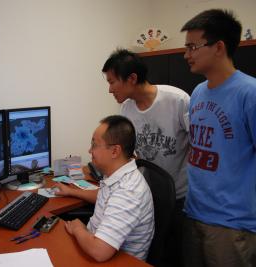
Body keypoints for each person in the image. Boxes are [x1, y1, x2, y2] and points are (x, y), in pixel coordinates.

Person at [180, 9, 256, 267]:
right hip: (193, 212)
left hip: (231, 224)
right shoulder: (199, 92)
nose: (186, 54)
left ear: (219, 47)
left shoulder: (249, 93)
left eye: (193, 46)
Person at [102, 48, 190, 266]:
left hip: (182, 195)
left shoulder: (178, 100)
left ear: (132, 78)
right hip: (148, 193)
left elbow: (200, 144)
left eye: (112, 82)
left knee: (176, 254)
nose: (109, 89)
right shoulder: (127, 109)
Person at [54, 115, 154, 262]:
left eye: (94, 145)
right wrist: (71, 192)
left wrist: (78, 229)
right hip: (99, 245)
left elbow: (99, 252)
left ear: (114, 151)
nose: (89, 150)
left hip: (116, 260)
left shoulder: (129, 191)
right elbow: (105, 196)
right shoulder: (117, 173)